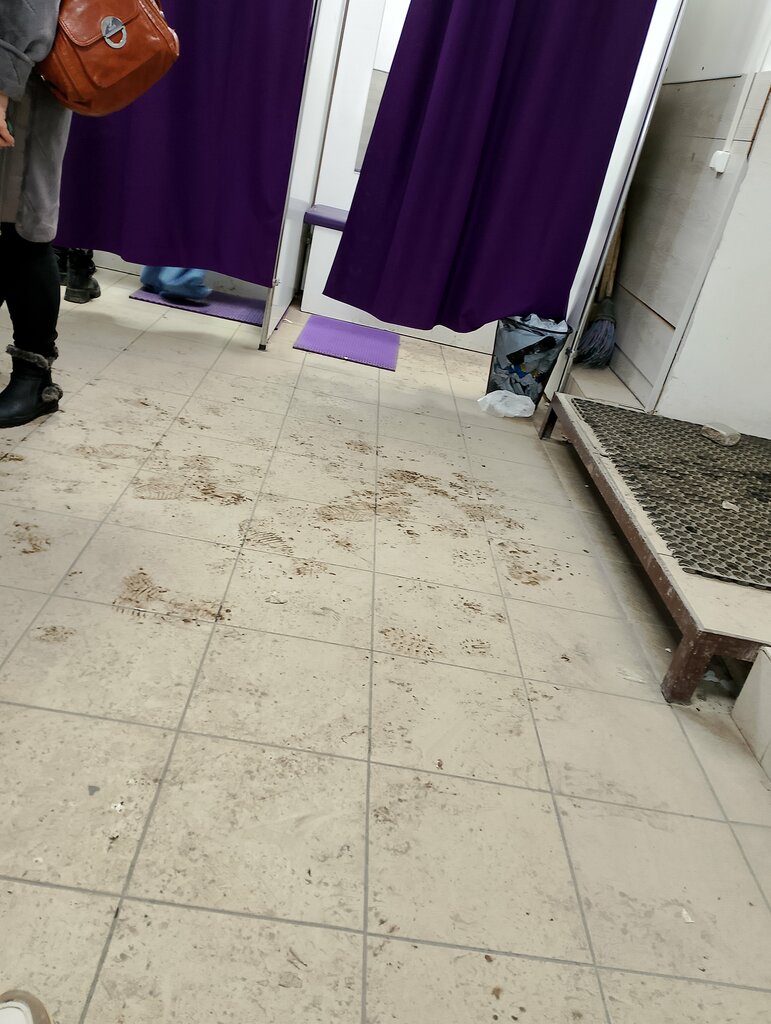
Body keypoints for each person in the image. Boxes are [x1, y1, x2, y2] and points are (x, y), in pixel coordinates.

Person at [0, 1, 71, 429]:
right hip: (12, 81)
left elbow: (27, 9)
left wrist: (1, 89)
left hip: (21, 87)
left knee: (22, 228)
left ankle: (34, 379)